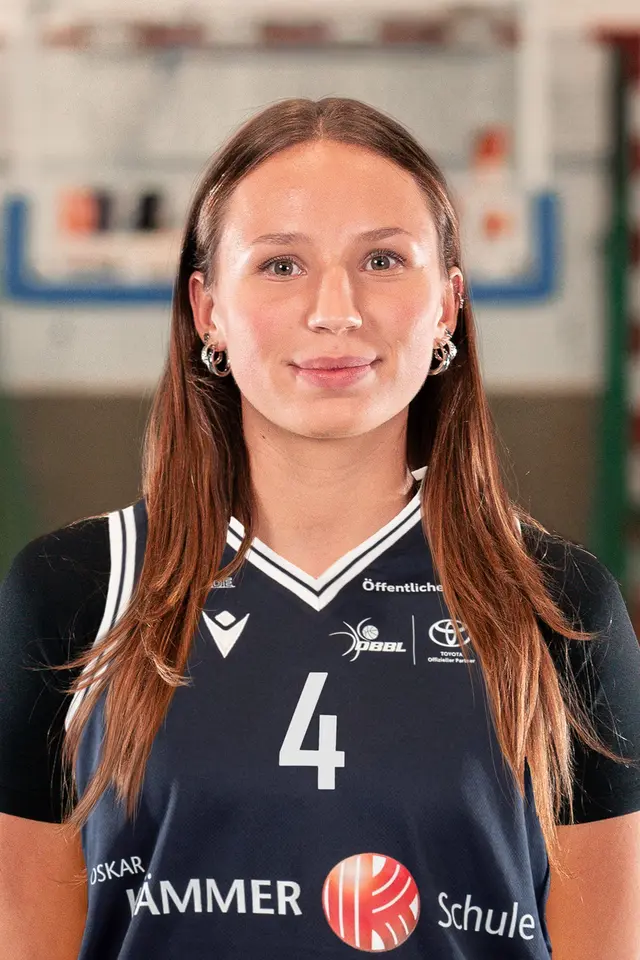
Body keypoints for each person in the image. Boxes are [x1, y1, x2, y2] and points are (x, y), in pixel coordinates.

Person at [1, 97, 639, 960]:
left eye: (382, 259)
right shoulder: (79, 591)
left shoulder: (555, 604)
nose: (335, 310)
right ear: (207, 309)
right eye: (280, 265)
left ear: (448, 304)